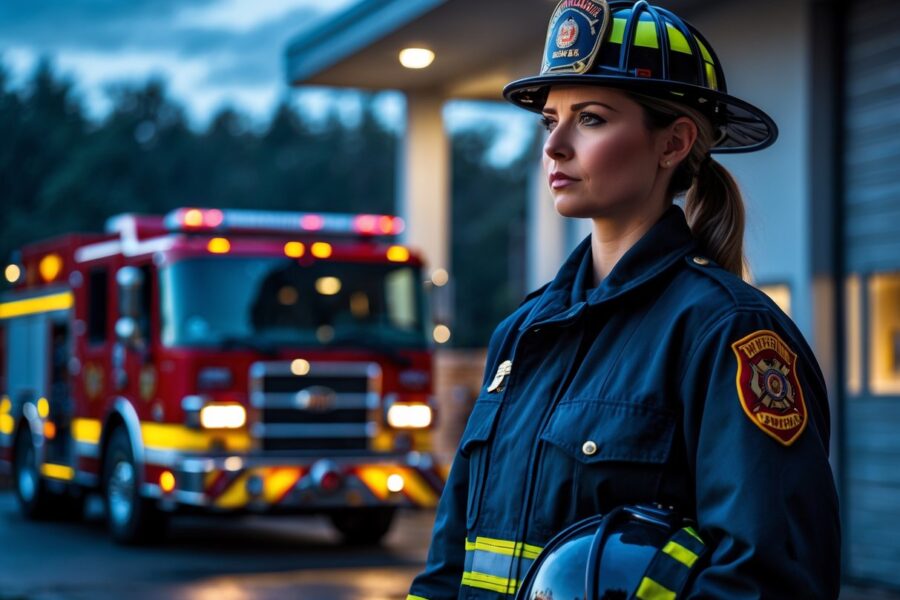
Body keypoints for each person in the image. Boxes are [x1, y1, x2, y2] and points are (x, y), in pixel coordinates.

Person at [407, 0, 841, 598]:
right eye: (548, 120)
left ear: (673, 143)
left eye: (589, 119)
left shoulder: (727, 333)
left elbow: (767, 580)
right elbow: (448, 566)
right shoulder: (521, 334)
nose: (555, 145)